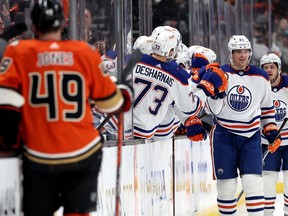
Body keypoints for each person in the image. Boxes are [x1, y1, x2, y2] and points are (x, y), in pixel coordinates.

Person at [0, 1, 132, 216]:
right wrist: (125, 95)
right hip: (82, 152)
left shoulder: (19, 52)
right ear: (63, 23)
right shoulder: (84, 52)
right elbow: (111, 103)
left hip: (38, 153)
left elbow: (4, 98)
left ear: (34, 25)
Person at [204, 35, 281, 215]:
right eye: (238, 51)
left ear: (250, 53)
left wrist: (270, 131)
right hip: (224, 136)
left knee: (253, 183)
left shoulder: (261, 77)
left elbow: (267, 109)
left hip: (251, 137)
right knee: (226, 185)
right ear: (230, 54)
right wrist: (216, 95)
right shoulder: (219, 74)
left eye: (245, 51)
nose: (242, 55)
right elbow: (211, 109)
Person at [129, 28, 228, 141]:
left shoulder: (131, 61)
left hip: (122, 124)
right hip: (150, 130)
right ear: (171, 50)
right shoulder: (176, 73)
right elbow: (190, 108)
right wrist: (204, 87)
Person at [259, 53, 288, 216]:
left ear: (279, 69)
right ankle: (267, 213)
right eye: (266, 67)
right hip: (267, 141)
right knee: (268, 181)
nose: (269, 70)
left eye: (272, 67)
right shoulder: (258, 86)